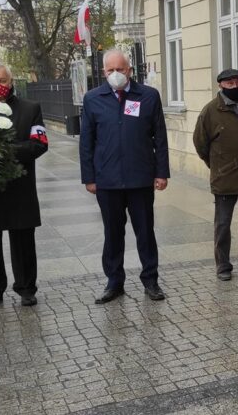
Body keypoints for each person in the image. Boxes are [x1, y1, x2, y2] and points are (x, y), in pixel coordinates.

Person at [80, 49, 170, 304]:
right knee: (112, 234)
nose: (116, 74)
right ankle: (114, 282)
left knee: (145, 232)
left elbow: (160, 137)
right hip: (107, 180)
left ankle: (150, 280)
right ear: (103, 72)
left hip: (140, 178)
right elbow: (86, 142)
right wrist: (89, 177)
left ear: (129, 70)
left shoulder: (148, 96)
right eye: (111, 70)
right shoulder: (93, 99)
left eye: (120, 69)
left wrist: (161, 172)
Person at [0, 62, 49, 309]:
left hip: (20, 186)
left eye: (2, 80)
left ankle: (26, 289)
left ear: (11, 81)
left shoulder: (30, 108)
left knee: (23, 241)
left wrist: (3, 151)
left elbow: (39, 144)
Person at [193, 69, 238, 281]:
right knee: (223, 225)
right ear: (221, 85)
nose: (235, 86)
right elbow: (200, 143)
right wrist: (217, 166)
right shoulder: (210, 111)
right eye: (230, 83)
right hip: (224, 178)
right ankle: (223, 266)